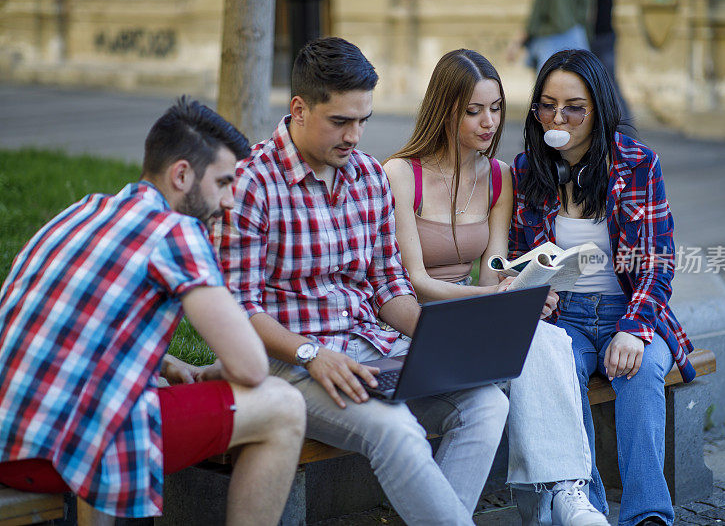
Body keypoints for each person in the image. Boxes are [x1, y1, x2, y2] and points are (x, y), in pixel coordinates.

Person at [214, 37, 509, 526]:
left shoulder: (369, 177)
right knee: (395, 428)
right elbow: (236, 310)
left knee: (485, 403)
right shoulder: (250, 185)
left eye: (363, 120)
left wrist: (444, 341)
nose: (355, 135)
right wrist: (311, 353)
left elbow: (390, 287)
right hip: (293, 364)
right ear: (299, 109)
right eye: (341, 121)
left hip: (372, 349)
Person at [0, 97, 306, 526]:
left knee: (135, 394)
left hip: (12, 435)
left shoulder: (84, 210)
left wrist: (163, 361)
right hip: (51, 455)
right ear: (181, 174)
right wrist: (220, 372)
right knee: (283, 405)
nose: (230, 201)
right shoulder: (176, 232)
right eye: (222, 183)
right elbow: (253, 369)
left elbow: (65, 323)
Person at [384, 49, 609, 526]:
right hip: (413, 324)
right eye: (473, 111)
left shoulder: (501, 177)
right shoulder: (402, 174)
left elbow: (493, 270)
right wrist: (493, 299)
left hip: (468, 317)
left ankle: (564, 493)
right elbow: (417, 281)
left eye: (496, 108)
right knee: (531, 352)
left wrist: (523, 287)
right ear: (443, 110)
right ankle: (545, 501)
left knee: (547, 336)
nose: (489, 122)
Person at [509, 49, 696, 526]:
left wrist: (633, 329)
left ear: (599, 108)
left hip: (629, 310)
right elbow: (515, 255)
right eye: (546, 105)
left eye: (574, 106)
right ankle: (584, 509)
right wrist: (532, 288)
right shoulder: (527, 170)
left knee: (644, 370)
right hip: (562, 317)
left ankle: (648, 514)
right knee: (557, 373)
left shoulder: (637, 164)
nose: (558, 117)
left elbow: (658, 263)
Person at [507, 0, 591, 73]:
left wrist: (517, 43)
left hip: (550, 38)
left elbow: (536, 15)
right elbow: (586, 10)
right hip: (574, 34)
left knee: (548, 81)